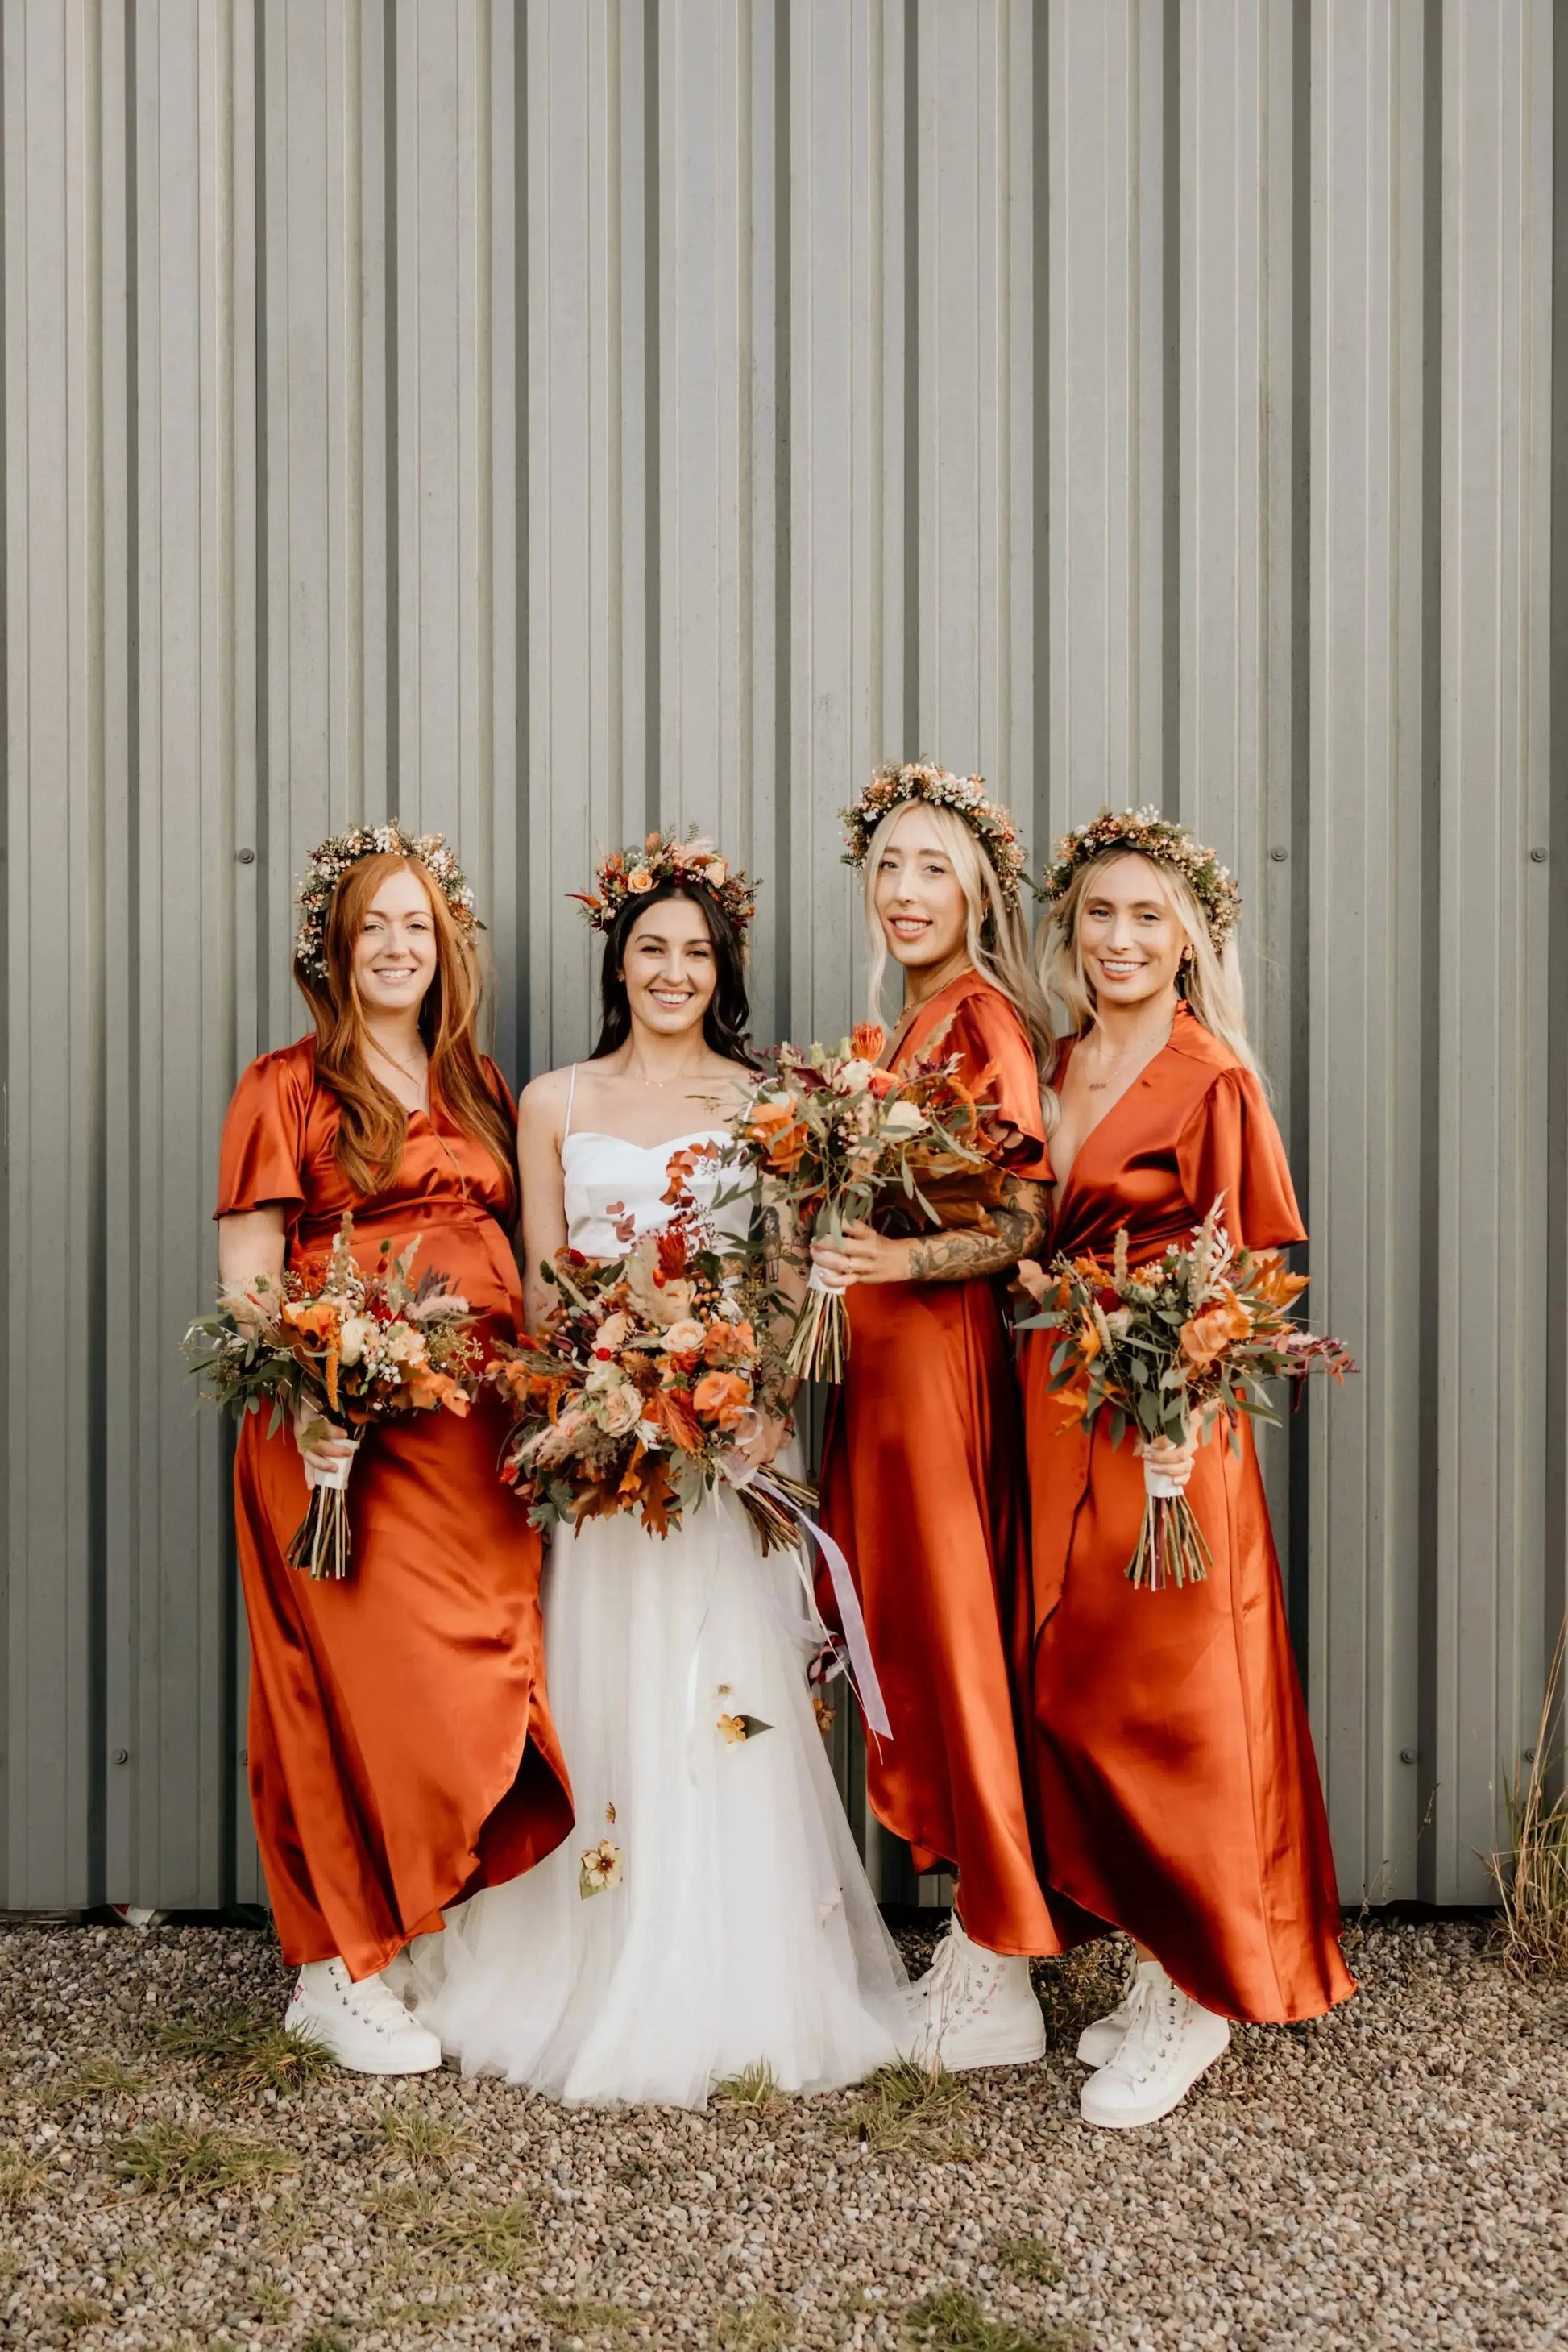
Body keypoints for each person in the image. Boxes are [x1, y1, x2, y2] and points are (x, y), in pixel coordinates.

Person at [395, 834, 909, 2107]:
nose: (671, 972)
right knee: (604, 1686)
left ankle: (733, 1968)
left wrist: (764, 1408)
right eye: (649, 951)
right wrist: (590, 1397)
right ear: (617, 965)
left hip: (723, 1442)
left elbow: (789, 1281)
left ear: (721, 969)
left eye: (695, 953)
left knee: (720, 1694)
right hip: (605, 1450)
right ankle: (585, 1949)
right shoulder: (555, 1101)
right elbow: (539, 1280)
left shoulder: (762, 1100)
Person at [214, 823, 573, 2074]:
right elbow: (251, 1280)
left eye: (415, 925)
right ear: (334, 944)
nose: (396, 946)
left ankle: (408, 1926)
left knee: (469, 1684)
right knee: (338, 1689)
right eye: (373, 924)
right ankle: (331, 1966)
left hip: (472, 1442)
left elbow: (530, 1257)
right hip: (341, 1440)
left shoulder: (480, 1084)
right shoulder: (284, 1086)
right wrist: (312, 1391)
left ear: (445, 946)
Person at [1020, 807, 1354, 2130]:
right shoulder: (1052, 1063)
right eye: (1098, 914)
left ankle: (1204, 1989)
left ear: (1187, 937)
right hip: (1058, 1418)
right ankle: (1162, 1952)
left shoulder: (1211, 1080)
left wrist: (1191, 1394)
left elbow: (1262, 1273)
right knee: (1084, 1691)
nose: (1117, 938)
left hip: (1169, 1430)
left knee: (1180, 1702)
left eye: (1145, 917)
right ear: (1067, 930)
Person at [813, 765, 1075, 2071]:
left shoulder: (980, 1021)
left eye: (932, 868)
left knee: (954, 1643)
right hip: (879, 1379)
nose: (905, 891)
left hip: (932, 1371)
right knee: (901, 1634)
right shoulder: (905, 1027)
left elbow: (1024, 1220)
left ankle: (1000, 1955)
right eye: (888, 869)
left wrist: (895, 1266)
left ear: (977, 890)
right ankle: (980, 1936)